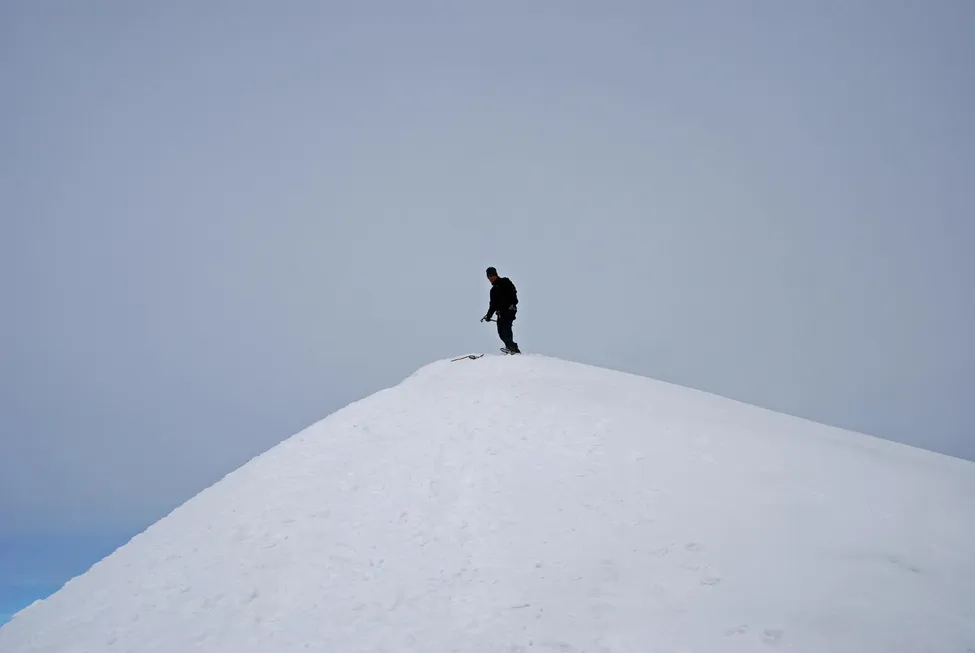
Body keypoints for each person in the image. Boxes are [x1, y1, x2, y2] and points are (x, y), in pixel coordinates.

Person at [481, 266, 521, 353]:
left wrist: (512, 303)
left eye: (492, 276)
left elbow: (513, 292)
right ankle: (510, 347)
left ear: (496, 275)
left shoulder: (505, 281)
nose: (490, 278)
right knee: (501, 332)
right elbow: (492, 305)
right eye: (489, 276)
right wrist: (488, 315)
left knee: (506, 328)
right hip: (500, 313)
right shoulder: (493, 291)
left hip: (509, 309)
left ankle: (512, 348)